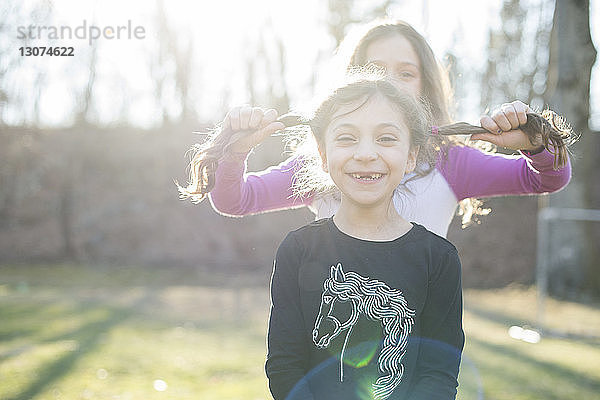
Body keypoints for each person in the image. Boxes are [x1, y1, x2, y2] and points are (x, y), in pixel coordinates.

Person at [185, 20, 571, 238]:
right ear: (349, 81)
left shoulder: (451, 162)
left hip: (417, 355)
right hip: (331, 358)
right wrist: (235, 152)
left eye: (405, 74)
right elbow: (235, 200)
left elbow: (546, 180)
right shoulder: (323, 164)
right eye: (374, 71)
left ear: (425, 86)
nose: (388, 85)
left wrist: (536, 143)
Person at [264, 75, 464, 399]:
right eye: (347, 138)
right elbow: (285, 366)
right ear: (323, 154)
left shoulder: (439, 259)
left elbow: (438, 375)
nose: (366, 153)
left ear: (411, 155)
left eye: (386, 138)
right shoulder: (298, 250)